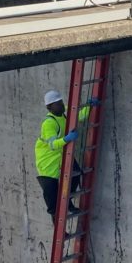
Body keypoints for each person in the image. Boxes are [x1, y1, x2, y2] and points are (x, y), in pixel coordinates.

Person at [34, 89, 99, 222]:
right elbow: (52, 145)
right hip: (47, 159)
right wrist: (67, 138)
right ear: (49, 107)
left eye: (61, 102)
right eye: (57, 104)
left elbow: (80, 116)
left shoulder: (64, 112)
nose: (61, 105)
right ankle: (59, 227)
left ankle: (68, 202)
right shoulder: (49, 123)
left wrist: (89, 106)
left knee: (76, 174)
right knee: (52, 198)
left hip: (61, 154)